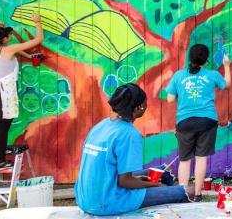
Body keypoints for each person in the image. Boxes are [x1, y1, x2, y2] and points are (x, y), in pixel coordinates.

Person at [74, 83, 193, 216]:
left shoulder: (102, 125)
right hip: (107, 201)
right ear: (139, 108)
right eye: (145, 102)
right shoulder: (129, 133)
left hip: (85, 199)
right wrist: (156, 186)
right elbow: (124, 181)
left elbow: (116, 173)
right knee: (189, 191)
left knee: (164, 171)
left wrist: (141, 180)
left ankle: (162, 189)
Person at [166, 44, 230, 201]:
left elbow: (170, 99)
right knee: (201, 158)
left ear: (190, 57)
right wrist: (227, 66)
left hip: (185, 122)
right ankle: (198, 194)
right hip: (207, 121)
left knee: (184, 159)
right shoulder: (212, 74)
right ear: (205, 60)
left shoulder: (178, 76)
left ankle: (181, 195)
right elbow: (226, 85)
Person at [0, 14, 43, 170]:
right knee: (2, 127)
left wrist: (28, 56)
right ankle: (0, 162)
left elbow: (12, 51)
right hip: (4, 90)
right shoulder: (8, 50)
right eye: (7, 35)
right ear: (3, 40)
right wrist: (37, 22)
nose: (9, 36)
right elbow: (38, 40)